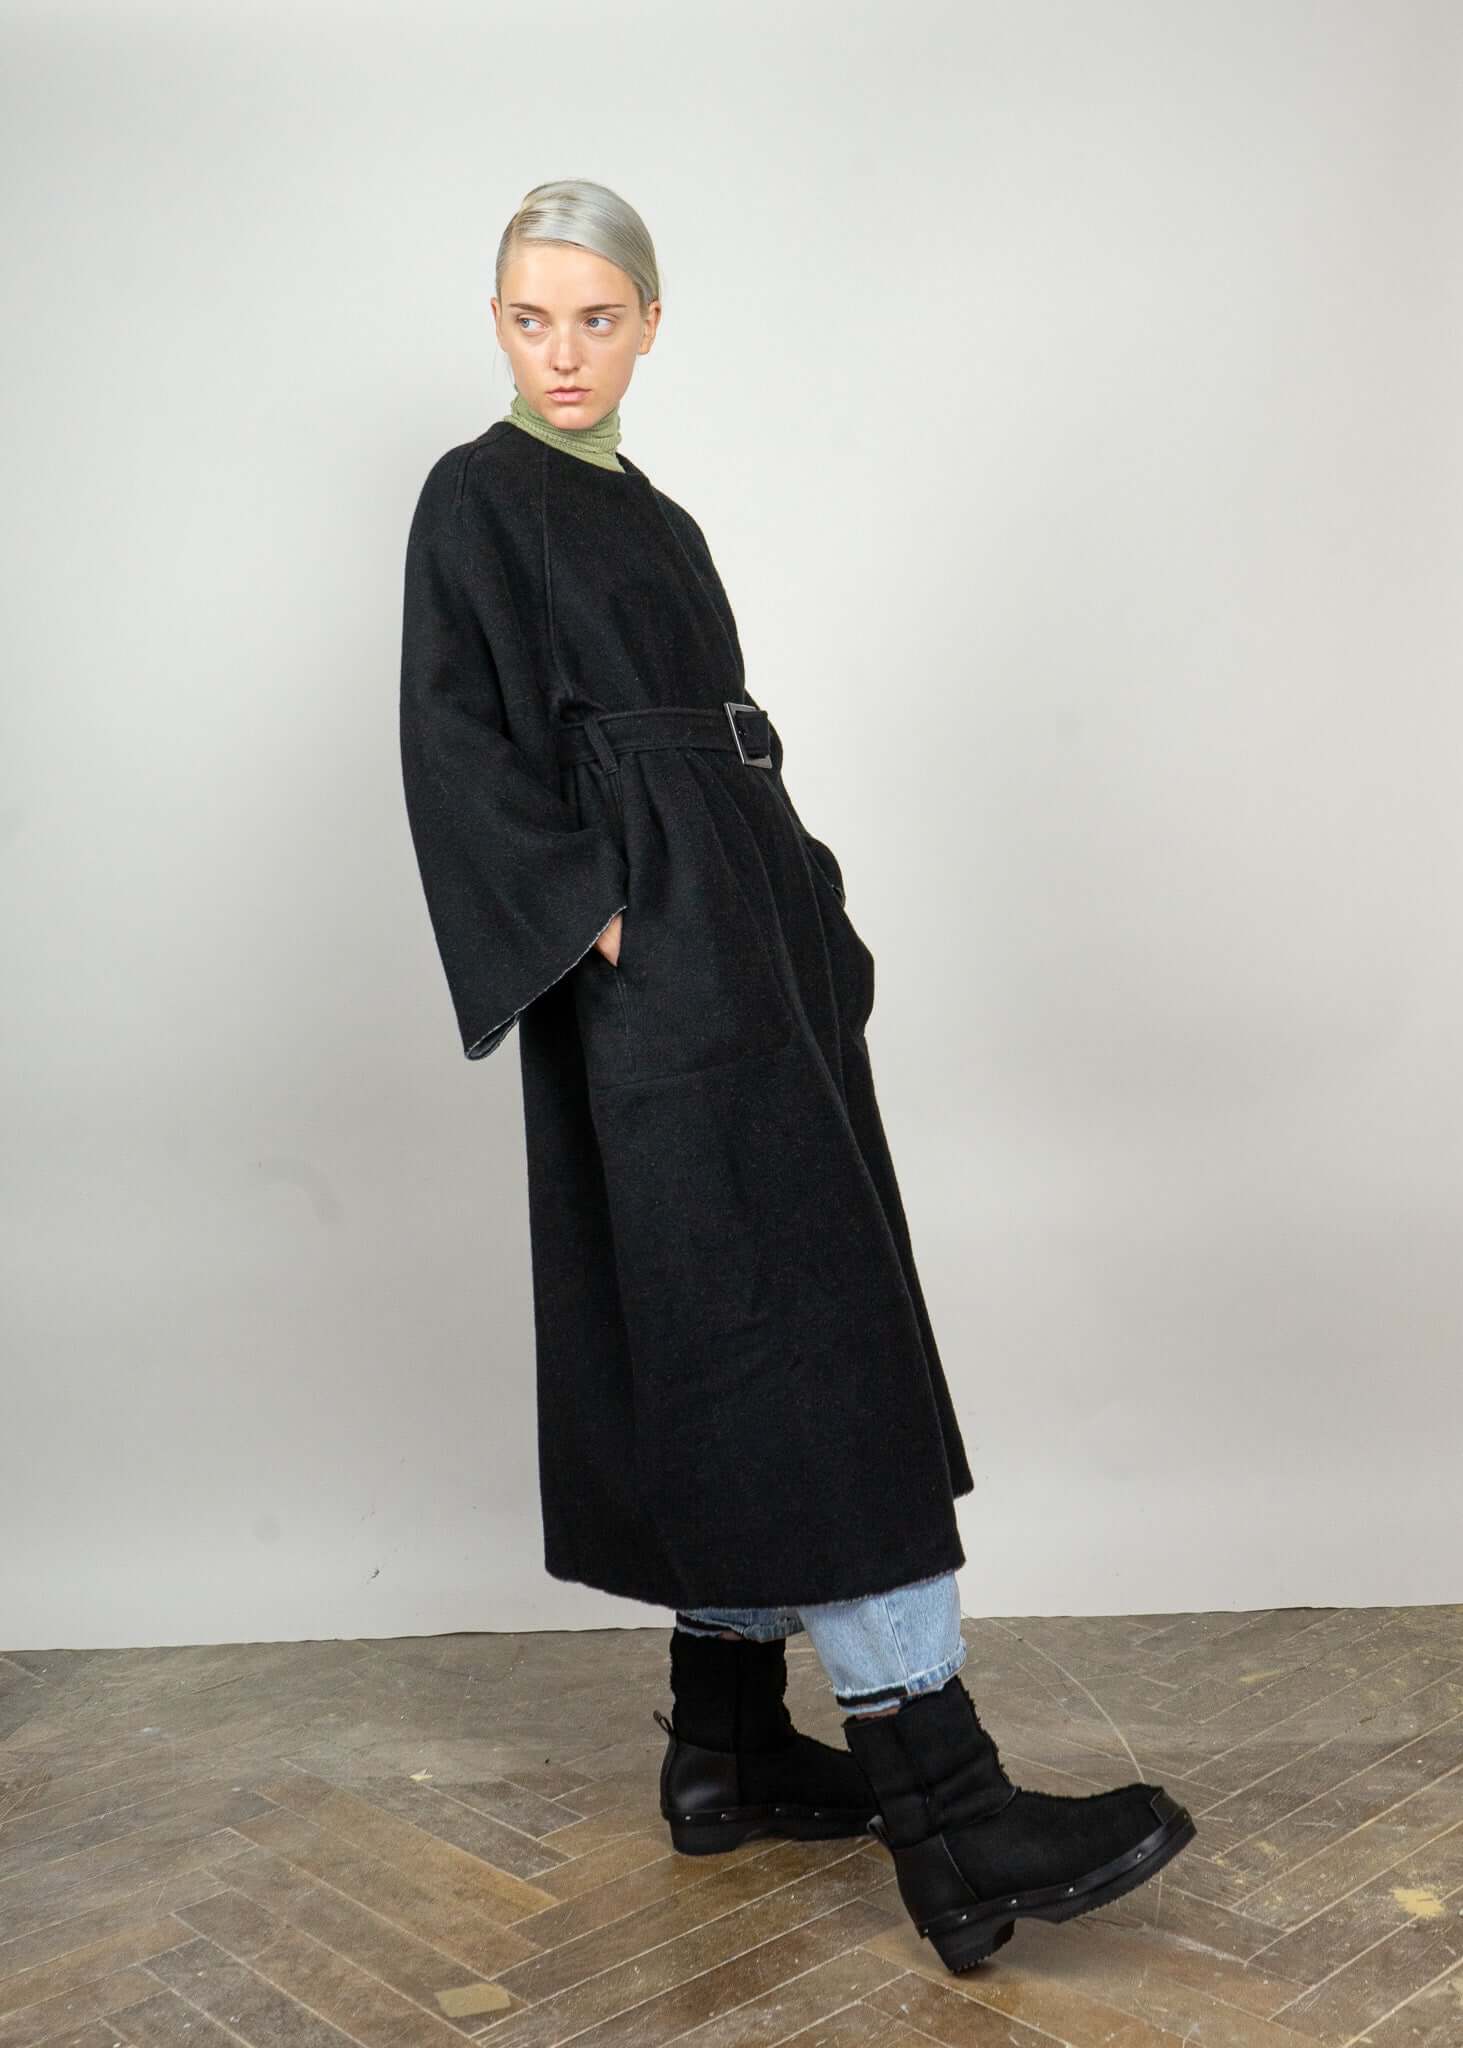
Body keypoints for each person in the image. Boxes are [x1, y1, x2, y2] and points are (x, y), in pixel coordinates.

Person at [398, 178, 1195, 1972]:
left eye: (597, 317)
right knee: (802, 1346)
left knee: (734, 1336)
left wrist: (806, 913)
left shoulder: (657, 520)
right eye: (530, 317)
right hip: (667, 956)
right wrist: (605, 918)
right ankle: (951, 1809)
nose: (563, 352)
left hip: (751, 939)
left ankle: (730, 1744)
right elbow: (452, 739)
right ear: (497, 322)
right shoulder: (476, 494)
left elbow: (720, 733)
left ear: (650, 324)